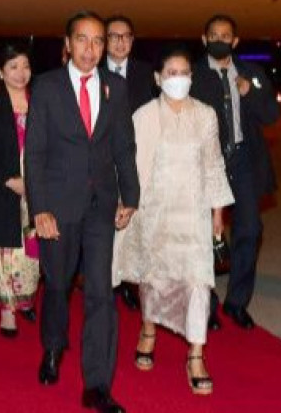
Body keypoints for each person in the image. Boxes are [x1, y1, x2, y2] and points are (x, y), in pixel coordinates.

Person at [25, 11, 139, 413]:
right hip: (58, 205)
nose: (91, 49)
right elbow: (34, 153)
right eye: (83, 40)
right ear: (68, 43)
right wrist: (39, 208)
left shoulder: (117, 88)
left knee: (100, 294)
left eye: (98, 41)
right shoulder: (47, 87)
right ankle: (53, 347)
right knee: (56, 284)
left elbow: (124, 145)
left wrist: (131, 195)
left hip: (101, 206)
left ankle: (97, 385)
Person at [113, 47, 232, 395]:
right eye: (171, 73)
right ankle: (148, 330)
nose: (178, 79)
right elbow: (131, 168)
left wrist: (218, 212)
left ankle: (196, 354)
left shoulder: (206, 115)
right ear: (158, 79)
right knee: (155, 279)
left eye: (184, 73)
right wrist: (127, 205)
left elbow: (213, 163)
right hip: (155, 211)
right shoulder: (144, 116)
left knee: (198, 281)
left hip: (193, 213)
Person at [189, 13, 279, 330]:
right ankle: (207, 304)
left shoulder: (251, 73)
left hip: (243, 161)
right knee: (203, 236)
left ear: (235, 41)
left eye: (225, 35)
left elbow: (272, 114)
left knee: (249, 230)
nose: (219, 40)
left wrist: (249, 94)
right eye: (213, 35)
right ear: (204, 39)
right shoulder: (193, 76)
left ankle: (237, 301)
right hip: (206, 163)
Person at [0, 43, 41, 338]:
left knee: (32, 252)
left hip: (38, 191)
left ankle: (24, 298)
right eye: (13, 67)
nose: (20, 73)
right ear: (1, 72)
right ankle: (7, 310)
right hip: (3, 190)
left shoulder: (42, 104)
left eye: (25, 66)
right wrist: (8, 180)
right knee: (5, 252)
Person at [99, 14, 159, 312]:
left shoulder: (147, 73)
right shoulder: (92, 73)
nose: (121, 42)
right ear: (104, 40)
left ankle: (128, 281)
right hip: (101, 161)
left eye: (126, 36)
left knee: (134, 222)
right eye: (114, 36)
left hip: (139, 160)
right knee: (105, 222)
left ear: (133, 41)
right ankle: (106, 280)